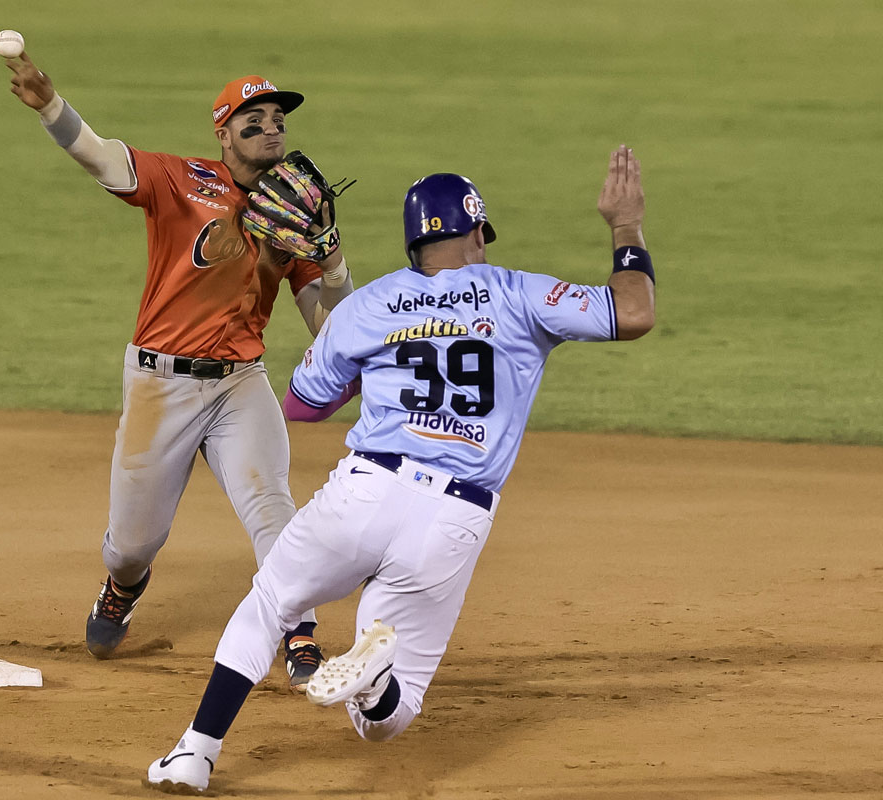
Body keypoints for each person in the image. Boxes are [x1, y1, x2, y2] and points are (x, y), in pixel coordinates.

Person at [145, 145, 656, 793]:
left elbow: (305, 403)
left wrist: (372, 352)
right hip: (453, 517)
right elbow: (633, 313)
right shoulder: (518, 293)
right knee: (387, 722)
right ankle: (377, 680)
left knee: (271, 603)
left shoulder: (369, 306)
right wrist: (626, 228)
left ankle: (194, 754)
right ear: (475, 233)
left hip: (365, 489)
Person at [4, 56, 356, 687]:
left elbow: (332, 330)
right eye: (255, 120)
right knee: (133, 544)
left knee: (274, 510)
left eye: (278, 120)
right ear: (223, 134)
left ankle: (298, 635)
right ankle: (122, 586)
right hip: (158, 385)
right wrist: (52, 106)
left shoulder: (292, 218)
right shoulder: (181, 178)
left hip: (239, 386)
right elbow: (101, 156)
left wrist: (331, 259)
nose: (271, 129)